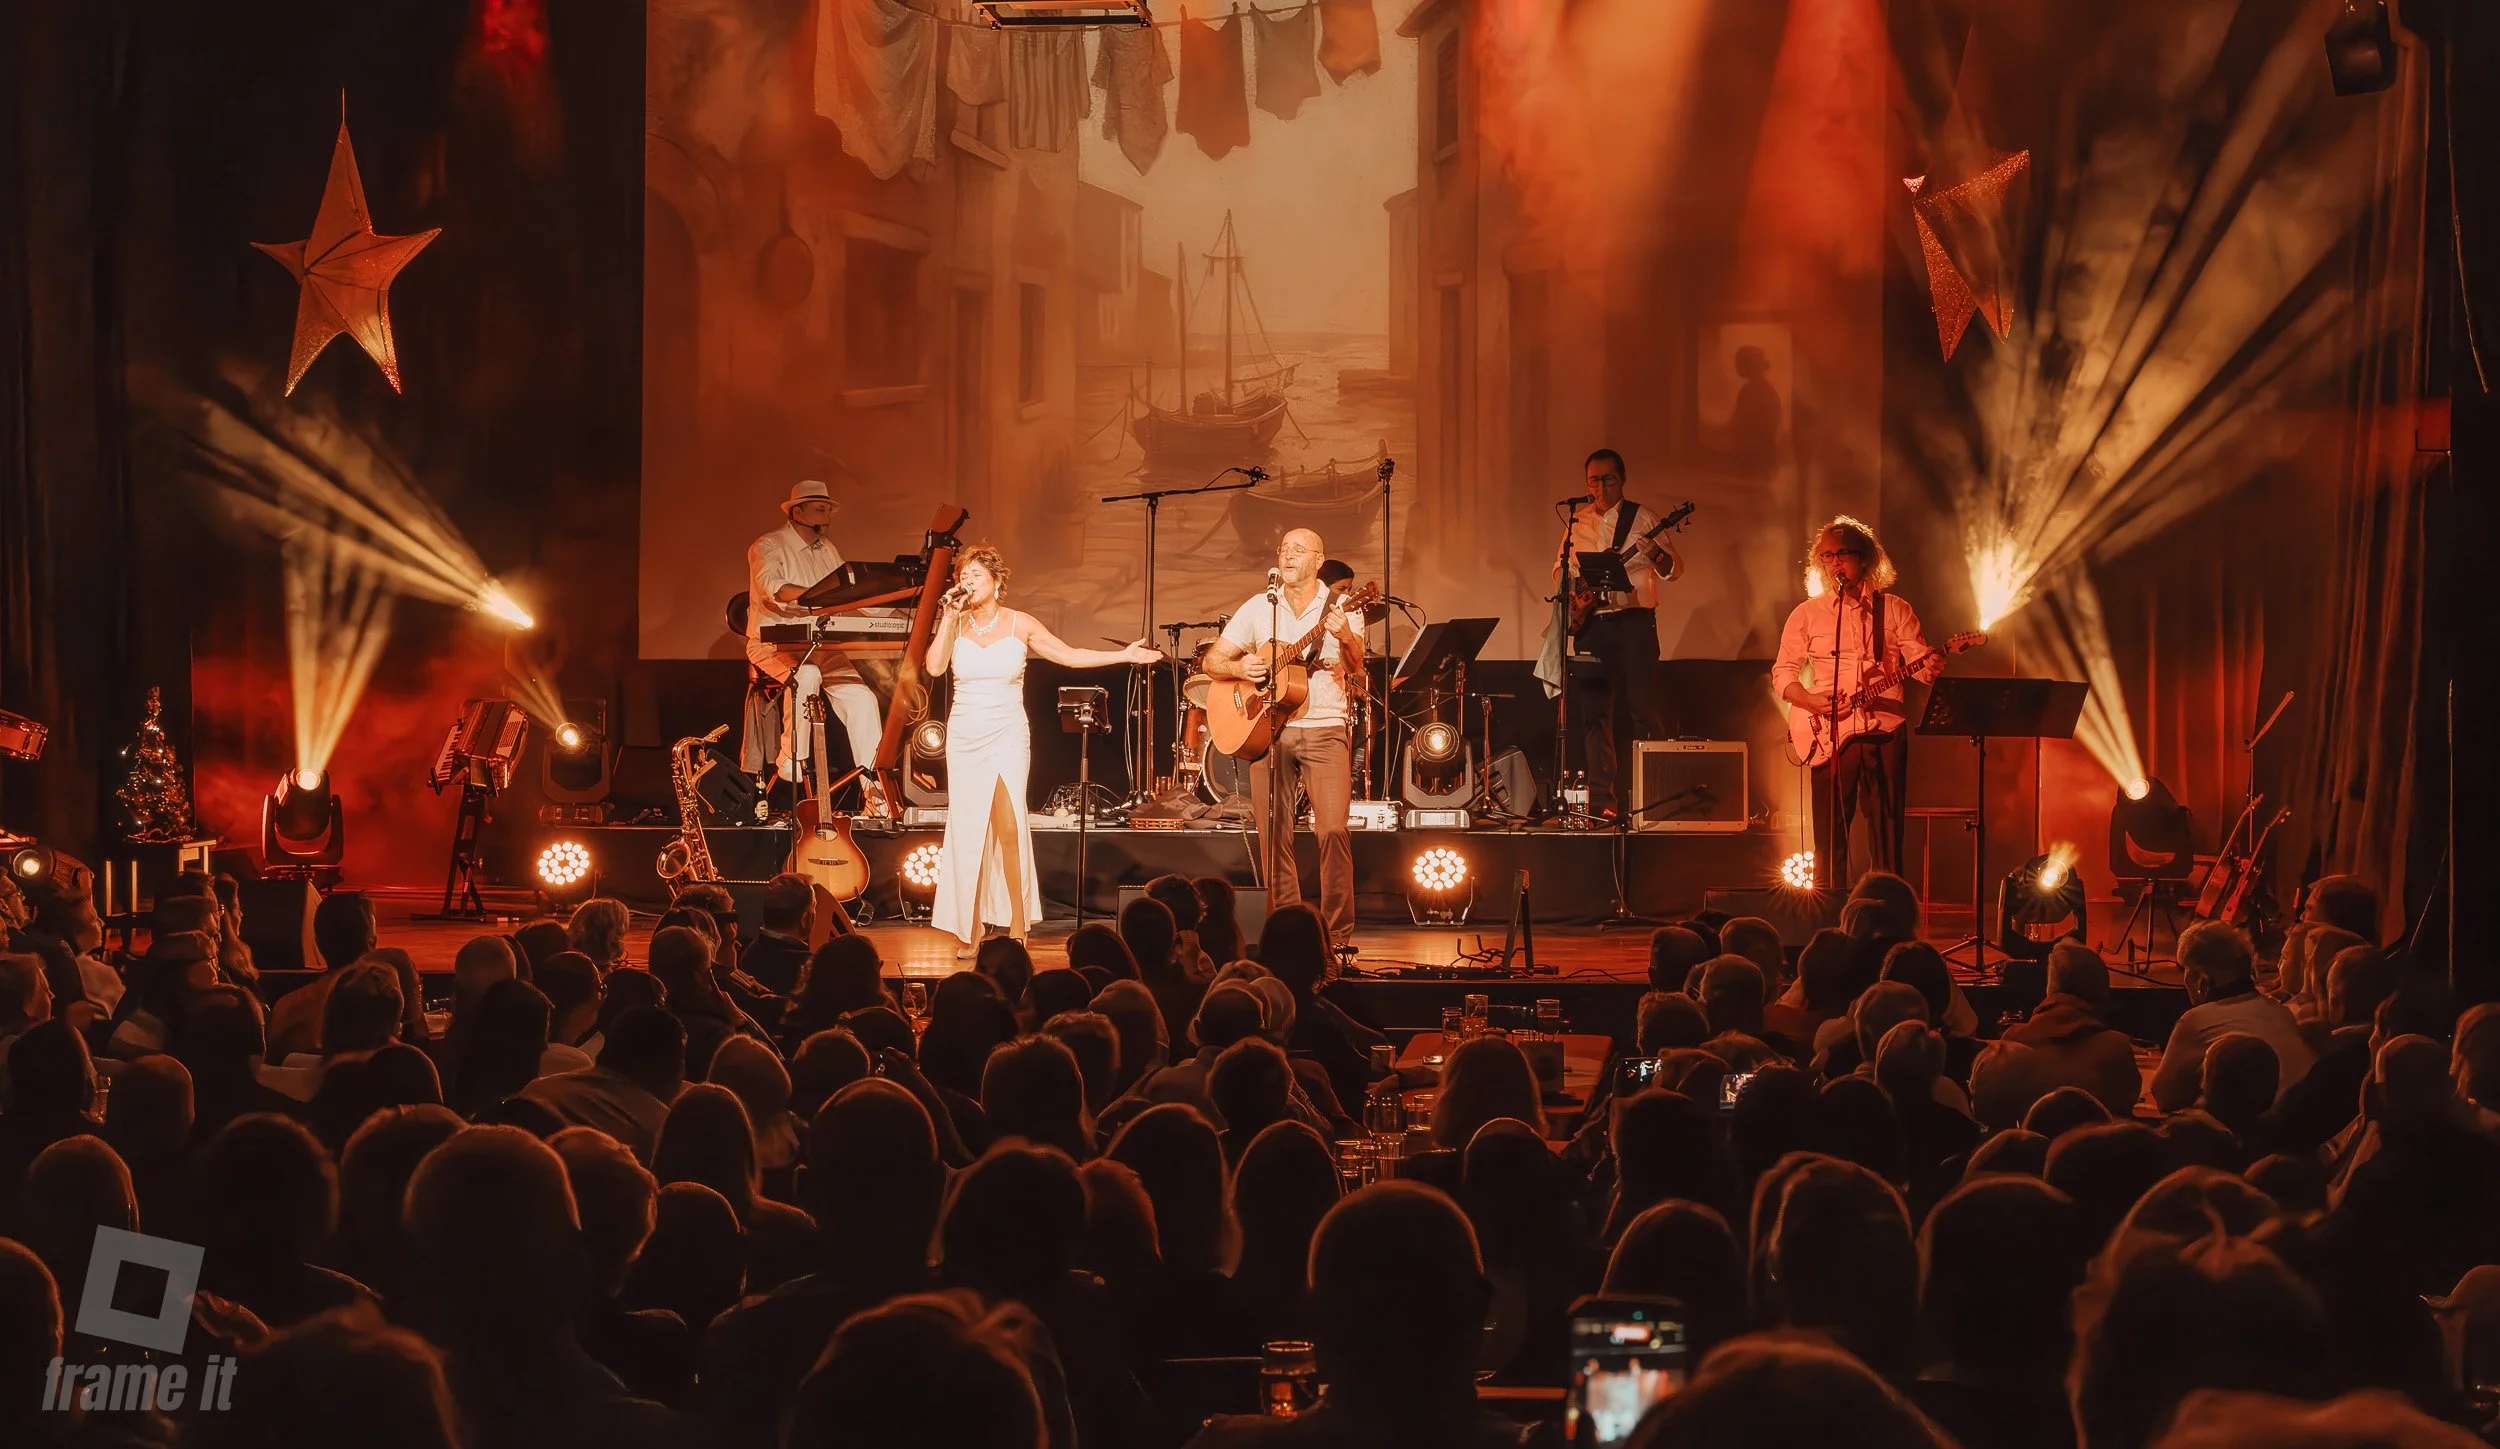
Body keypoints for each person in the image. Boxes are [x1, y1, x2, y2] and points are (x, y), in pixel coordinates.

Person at [926, 543, 1158, 958]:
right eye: (963, 576)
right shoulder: (955, 623)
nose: (968, 582)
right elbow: (933, 667)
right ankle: (972, 926)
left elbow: (1068, 656)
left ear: (997, 582)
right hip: (966, 733)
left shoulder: (1020, 624)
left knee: (1009, 824)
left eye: (976, 575)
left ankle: (1017, 921)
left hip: (1006, 731)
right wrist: (946, 617)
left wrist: (1124, 655)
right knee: (968, 829)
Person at [1202, 528, 1365, 955]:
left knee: (1332, 830)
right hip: (1269, 729)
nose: (1288, 555)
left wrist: (1345, 634)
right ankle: (1288, 930)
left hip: (1326, 727)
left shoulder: (1344, 605)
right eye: (1283, 549)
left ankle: (1336, 936)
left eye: (1298, 550)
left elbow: (1358, 666)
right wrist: (1243, 669)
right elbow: (1213, 659)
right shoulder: (1260, 606)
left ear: (1317, 559)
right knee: (1274, 833)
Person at [1772, 516, 1946, 887]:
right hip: (1829, 733)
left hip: (1884, 729)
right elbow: (1783, 675)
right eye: (1826, 557)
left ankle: (1887, 910)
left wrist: (1932, 663)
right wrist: (1811, 701)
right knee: (1831, 833)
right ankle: (1829, 912)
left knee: (1887, 828)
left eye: (1842, 554)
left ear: (1865, 557)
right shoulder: (1807, 614)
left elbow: (1920, 669)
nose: (1834, 563)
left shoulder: (1895, 609)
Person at [745, 477, 892, 818]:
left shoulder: (828, 549)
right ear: (799, 511)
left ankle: (876, 795)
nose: (827, 514)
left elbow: (849, 592)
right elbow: (774, 588)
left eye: (828, 508)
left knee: (863, 699)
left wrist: (900, 608)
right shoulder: (768, 545)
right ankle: (791, 760)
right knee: (806, 674)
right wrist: (817, 597)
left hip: (821, 645)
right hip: (773, 645)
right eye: (821, 507)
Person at [1552, 448, 1681, 818]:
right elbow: (1559, 571)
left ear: (1621, 480)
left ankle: (1651, 800)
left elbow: (1674, 569)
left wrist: (1655, 554)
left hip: (1633, 625)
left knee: (1644, 711)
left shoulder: (1642, 518)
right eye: (1593, 480)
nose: (1600, 486)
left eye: (1607, 478)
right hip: (1592, 627)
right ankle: (1601, 804)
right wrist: (1575, 592)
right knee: (1594, 717)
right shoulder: (1576, 522)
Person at [2149, 922, 2313, 1114]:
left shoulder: (2196, 1021)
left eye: (2184, 970)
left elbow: (2164, 1097)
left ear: (2201, 978)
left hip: (2253, 1135)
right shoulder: (2280, 1012)